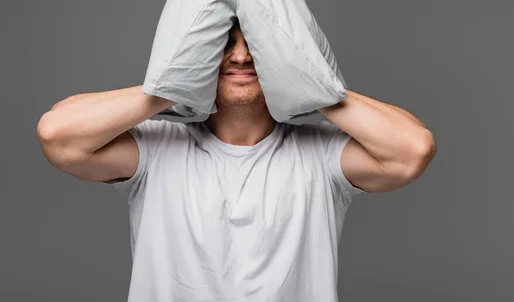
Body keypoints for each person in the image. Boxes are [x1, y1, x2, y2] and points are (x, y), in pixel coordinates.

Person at [37, 18, 436, 301]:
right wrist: (173, 85)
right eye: (225, 44)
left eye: (256, 46)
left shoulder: (322, 154)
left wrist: (310, 84)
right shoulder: (156, 148)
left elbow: (412, 150)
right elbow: (58, 135)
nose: (241, 57)